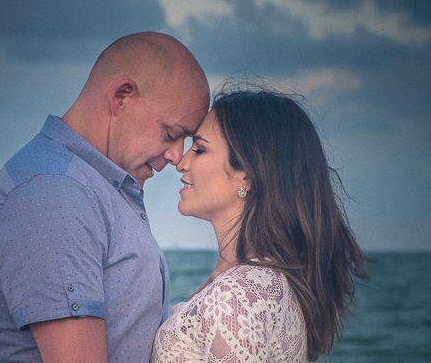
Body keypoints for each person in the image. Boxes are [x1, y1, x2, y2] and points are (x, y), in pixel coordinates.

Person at [0, 32, 210, 363]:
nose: (177, 156)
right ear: (121, 97)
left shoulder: (93, 188)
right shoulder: (53, 195)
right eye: (171, 134)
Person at [151, 88, 367, 363]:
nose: (181, 163)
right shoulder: (263, 282)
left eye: (200, 149)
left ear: (248, 176)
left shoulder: (234, 296)